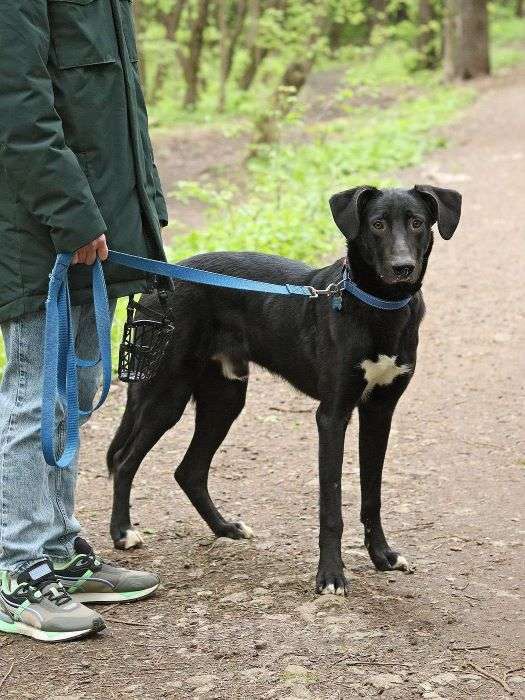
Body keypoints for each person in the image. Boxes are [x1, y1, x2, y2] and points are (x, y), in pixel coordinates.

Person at [0, 0, 169, 642]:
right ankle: (19, 571)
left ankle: (58, 551)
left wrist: (142, 209)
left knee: (71, 391)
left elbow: (112, 106)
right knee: (35, 398)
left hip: (89, 227)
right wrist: (71, 212)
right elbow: (16, 103)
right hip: (38, 228)